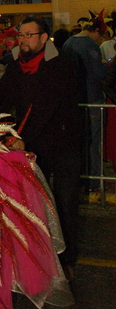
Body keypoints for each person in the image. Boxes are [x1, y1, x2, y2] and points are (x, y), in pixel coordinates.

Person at [0, 15, 82, 280]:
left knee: (64, 204)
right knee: (34, 205)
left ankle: (66, 260)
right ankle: (39, 256)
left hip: (63, 144)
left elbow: (46, 107)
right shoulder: (17, 66)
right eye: (21, 35)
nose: (24, 40)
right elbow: (2, 100)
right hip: (32, 146)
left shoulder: (61, 63)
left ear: (44, 37)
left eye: (30, 35)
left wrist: (22, 136)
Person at [62, 16, 107, 191]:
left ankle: (80, 179)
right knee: (94, 143)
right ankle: (94, 181)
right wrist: (104, 66)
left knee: (79, 142)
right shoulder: (90, 45)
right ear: (95, 31)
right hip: (92, 98)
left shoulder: (68, 43)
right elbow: (98, 73)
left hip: (75, 100)